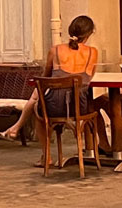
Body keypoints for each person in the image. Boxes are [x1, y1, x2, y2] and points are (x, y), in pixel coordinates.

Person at [34, 15, 98, 167]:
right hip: (79, 107)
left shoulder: (55, 51)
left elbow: (45, 78)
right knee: (96, 105)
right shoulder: (92, 53)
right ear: (89, 34)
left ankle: (47, 156)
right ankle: (91, 151)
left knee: (38, 112)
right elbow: (88, 79)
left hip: (53, 107)